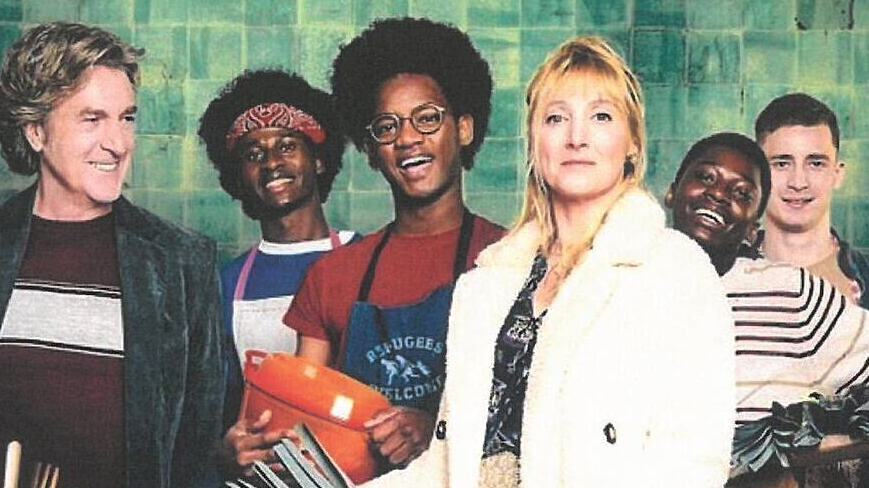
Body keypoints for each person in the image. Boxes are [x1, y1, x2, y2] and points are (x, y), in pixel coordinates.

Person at [358, 36, 735, 487]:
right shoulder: (486, 285)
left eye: (601, 116)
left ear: (633, 142)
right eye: (556, 118)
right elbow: (444, 468)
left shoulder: (674, 271)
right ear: (535, 143)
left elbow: (693, 464)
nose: (577, 137)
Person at [0, 22, 223, 487]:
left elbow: (200, 449)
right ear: (36, 131)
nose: (118, 144)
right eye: (92, 119)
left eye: (127, 118)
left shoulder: (181, 262)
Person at [283, 17, 505, 471]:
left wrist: (436, 429)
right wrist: (243, 450)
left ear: (464, 129)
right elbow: (301, 431)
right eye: (387, 127)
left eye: (428, 118)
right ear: (371, 151)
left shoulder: (511, 260)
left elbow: (531, 416)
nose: (407, 138)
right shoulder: (332, 276)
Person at [666, 132, 869, 487]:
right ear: (671, 192)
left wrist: (792, 447)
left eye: (742, 193)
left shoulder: (790, 292)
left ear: (752, 229)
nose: (719, 194)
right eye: (706, 177)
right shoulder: (619, 283)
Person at [197, 69, 358, 475]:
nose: (271, 162)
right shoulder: (226, 285)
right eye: (253, 154)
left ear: (319, 160)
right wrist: (225, 452)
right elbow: (212, 416)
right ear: (238, 177)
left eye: (287, 146)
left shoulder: (366, 257)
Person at [753, 93, 869, 308]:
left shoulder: (864, 278)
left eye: (816, 164)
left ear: (837, 174)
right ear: (757, 174)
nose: (798, 182)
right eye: (782, 164)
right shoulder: (716, 276)